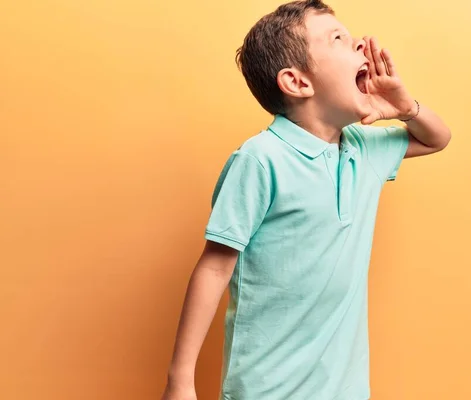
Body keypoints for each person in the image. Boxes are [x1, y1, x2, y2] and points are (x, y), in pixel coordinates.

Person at [162, 1, 451, 399]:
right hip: (268, 387)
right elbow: (214, 268)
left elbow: (436, 137)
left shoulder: (363, 149)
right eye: (338, 39)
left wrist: (405, 107)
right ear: (297, 83)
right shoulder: (261, 159)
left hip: (344, 388)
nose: (360, 47)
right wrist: (181, 381)